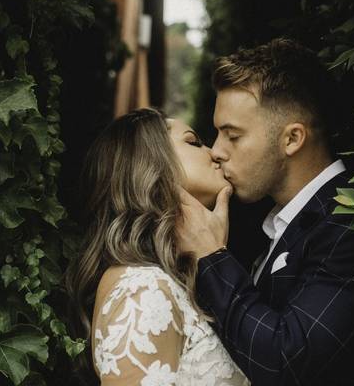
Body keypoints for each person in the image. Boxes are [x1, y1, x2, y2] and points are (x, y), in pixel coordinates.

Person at [176, 38, 354, 385]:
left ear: (292, 139)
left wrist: (210, 256)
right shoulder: (264, 220)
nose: (217, 151)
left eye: (232, 136)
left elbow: (286, 363)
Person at [65, 107, 250, 385]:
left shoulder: (173, 281)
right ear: (150, 165)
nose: (214, 152)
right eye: (193, 142)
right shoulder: (142, 289)